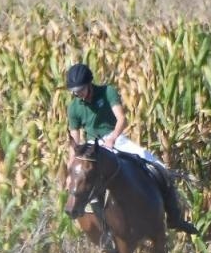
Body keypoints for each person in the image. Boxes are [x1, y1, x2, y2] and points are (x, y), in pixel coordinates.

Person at [64, 62, 200, 235]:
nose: (77, 94)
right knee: (90, 186)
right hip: (92, 147)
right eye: (74, 91)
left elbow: (121, 119)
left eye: (80, 90)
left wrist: (112, 138)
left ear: (89, 84)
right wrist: (70, 171)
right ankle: (106, 232)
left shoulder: (107, 92)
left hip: (115, 139)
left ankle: (175, 218)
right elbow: (74, 141)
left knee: (158, 166)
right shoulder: (74, 107)